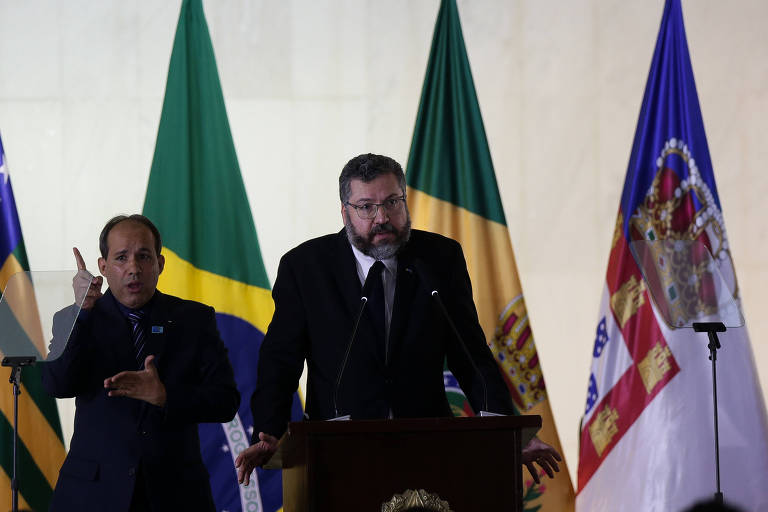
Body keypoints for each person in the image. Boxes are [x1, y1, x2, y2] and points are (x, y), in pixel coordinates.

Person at [235, 154, 560, 485]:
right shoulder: (305, 267)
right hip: (337, 451)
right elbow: (280, 360)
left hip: (428, 445)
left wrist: (507, 431)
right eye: (366, 207)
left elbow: (471, 355)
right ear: (345, 211)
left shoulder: (439, 259)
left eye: (392, 202)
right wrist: (270, 430)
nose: (382, 218)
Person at [41, 214, 240, 512]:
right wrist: (82, 314)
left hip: (175, 494)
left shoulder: (193, 319)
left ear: (160, 264)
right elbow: (57, 384)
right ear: (103, 267)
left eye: (144, 256)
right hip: (92, 495)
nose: (133, 268)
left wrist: (165, 396)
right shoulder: (73, 320)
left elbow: (225, 401)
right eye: (121, 258)